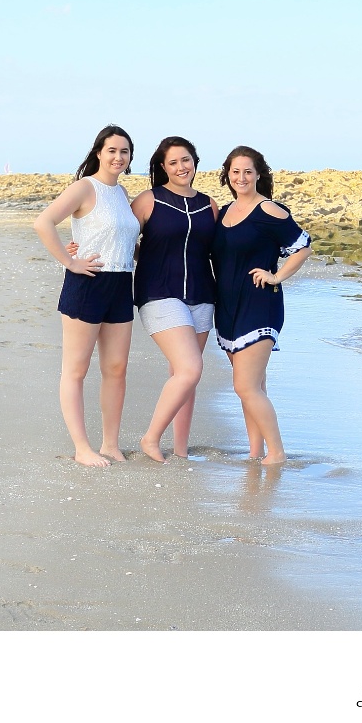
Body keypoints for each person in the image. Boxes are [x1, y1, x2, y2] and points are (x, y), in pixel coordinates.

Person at [34, 125, 140, 467]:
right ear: (98, 152)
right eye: (112, 150)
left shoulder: (123, 195)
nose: (118, 157)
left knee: (116, 368)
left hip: (121, 283)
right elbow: (44, 222)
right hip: (88, 283)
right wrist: (70, 261)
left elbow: (127, 244)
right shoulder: (84, 187)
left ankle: (110, 444)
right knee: (76, 370)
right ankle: (82, 448)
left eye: (124, 151)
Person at [212, 146, 311, 465]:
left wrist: (276, 275)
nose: (241, 177)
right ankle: (255, 452)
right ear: (227, 174)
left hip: (259, 304)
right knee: (251, 386)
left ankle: (277, 453)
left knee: (245, 385)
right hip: (227, 308)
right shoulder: (224, 211)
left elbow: (302, 246)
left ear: (258, 175)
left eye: (248, 172)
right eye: (235, 171)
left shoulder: (270, 210)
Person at [128, 137, 219, 462]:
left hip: (202, 295)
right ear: (162, 167)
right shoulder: (149, 200)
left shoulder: (208, 204)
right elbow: (120, 236)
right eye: (173, 162)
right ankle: (151, 439)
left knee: (184, 376)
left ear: (195, 162)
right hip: (158, 292)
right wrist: (79, 248)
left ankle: (181, 450)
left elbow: (221, 250)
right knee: (190, 368)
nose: (182, 167)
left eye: (186, 160)